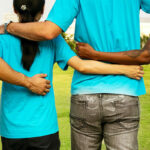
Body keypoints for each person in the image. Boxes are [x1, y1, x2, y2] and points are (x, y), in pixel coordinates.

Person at [0, 0, 149, 149]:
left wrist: (8, 27)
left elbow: (49, 31)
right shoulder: (53, 41)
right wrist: (124, 69)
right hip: (45, 127)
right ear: (43, 9)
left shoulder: (4, 40)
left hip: (13, 130)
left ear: (15, 8)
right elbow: (82, 65)